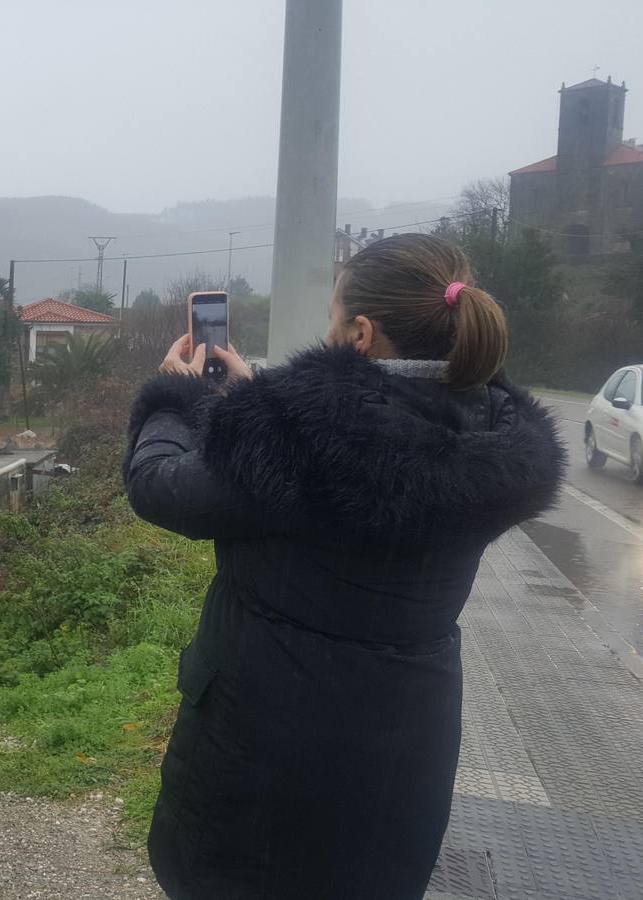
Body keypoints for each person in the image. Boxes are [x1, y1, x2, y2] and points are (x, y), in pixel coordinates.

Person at [123, 233, 565, 899]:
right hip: (406, 749)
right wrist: (257, 399)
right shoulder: (489, 438)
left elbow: (160, 484)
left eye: (333, 319)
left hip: (266, 750)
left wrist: (175, 398)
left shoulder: (292, 439)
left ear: (360, 333)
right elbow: (366, 428)